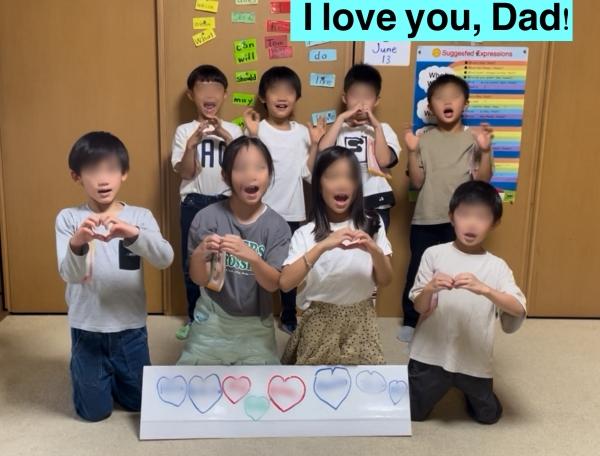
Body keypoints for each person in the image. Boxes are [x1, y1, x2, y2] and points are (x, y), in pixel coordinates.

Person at [55, 131, 174, 421]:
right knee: (94, 413)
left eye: (111, 169)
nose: (103, 179)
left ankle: (113, 376)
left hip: (130, 329)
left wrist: (132, 234)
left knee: (139, 404)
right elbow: (69, 274)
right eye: (93, 171)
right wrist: (77, 243)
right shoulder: (69, 218)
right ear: (76, 176)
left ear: (124, 174)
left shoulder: (140, 217)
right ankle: (86, 371)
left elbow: (165, 258)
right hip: (87, 329)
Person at [408, 180, 526, 425]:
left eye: (482, 217)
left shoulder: (496, 266)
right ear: (451, 217)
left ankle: (470, 392)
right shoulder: (434, 254)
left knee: (488, 416)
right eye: (464, 215)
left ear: (494, 223)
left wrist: (485, 290)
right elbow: (419, 307)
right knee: (413, 414)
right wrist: (430, 288)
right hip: (430, 354)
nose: (471, 224)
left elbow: (518, 308)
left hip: (474, 357)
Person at [177, 137, 291, 365]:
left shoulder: (277, 226)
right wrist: (200, 254)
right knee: (192, 378)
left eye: (260, 167)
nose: (251, 175)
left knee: (261, 382)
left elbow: (273, 284)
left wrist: (253, 258)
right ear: (225, 175)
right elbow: (199, 279)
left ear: (270, 174)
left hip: (256, 323)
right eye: (240, 168)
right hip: (212, 318)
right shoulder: (206, 218)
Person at [399, 73, 494, 342]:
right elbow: (416, 182)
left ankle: (453, 321)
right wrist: (412, 151)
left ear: (466, 104)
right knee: (418, 270)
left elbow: (483, 181)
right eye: (440, 98)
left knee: (460, 271)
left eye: (454, 97)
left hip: (461, 221)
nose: (447, 102)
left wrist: (485, 151)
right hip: (426, 217)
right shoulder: (424, 139)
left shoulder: (475, 138)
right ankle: (411, 320)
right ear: (430, 107)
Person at [280, 146, 393, 365]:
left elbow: (386, 280)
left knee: (363, 379)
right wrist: (322, 246)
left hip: (362, 318)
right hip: (319, 318)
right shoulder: (305, 234)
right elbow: (285, 284)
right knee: (315, 379)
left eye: (350, 177)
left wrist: (374, 250)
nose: (342, 184)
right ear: (318, 184)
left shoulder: (372, 223)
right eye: (332, 176)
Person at [244, 66, 326, 334]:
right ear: (263, 97)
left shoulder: (302, 132)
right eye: (275, 91)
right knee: (255, 264)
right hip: (259, 212)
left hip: (292, 212)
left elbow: (308, 174)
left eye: (288, 92)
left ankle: (289, 315)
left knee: (288, 267)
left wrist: (315, 144)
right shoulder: (257, 128)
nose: (282, 97)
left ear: (297, 97)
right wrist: (252, 135)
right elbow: (247, 167)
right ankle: (255, 313)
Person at [171, 64, 243, 339]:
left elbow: (241, 171)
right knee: (193, 261)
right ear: (191, 95)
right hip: (194, 202)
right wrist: (192, 144)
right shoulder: (184, 131)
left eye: (216, 89)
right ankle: (195, 317)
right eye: (202, 89)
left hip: (227, 202)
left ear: (225, 95)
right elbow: (186, 172)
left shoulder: (234, 130)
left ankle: (226, 318)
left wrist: (228, 140)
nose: (210, 95)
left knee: (228, 261)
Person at [318, 64, 401, 231]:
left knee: (373, 244)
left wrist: (376, 127)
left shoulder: (383, 129)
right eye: (355, 96)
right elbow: (322, 151)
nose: (361, 103)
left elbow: (384, 161)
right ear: (345, 98)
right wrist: (341, 119)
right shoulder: (338, 129)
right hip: (343, 200)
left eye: (367, 97)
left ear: (377, 101)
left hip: (375, 200)